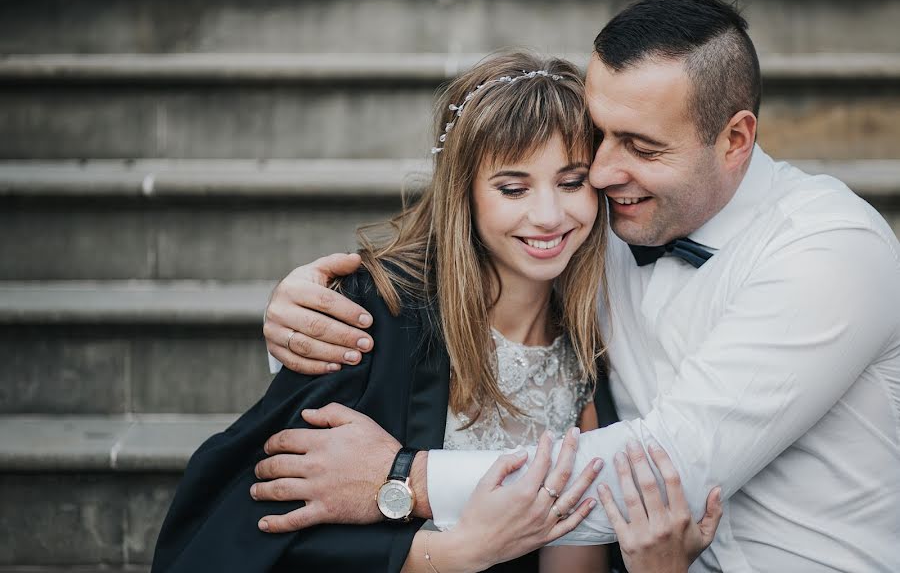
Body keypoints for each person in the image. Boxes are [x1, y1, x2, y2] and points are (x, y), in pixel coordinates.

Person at [256, 0, 900, 572]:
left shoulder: (832, 250)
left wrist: (404, 477)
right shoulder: (597, 230)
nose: (600, 172)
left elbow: (667, 467)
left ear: (734, 140)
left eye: (641, 147)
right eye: (600, 135)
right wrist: (300, 308)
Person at [152, 51, 721, 573]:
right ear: (465, 194)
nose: (549, 215)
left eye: (571, 182)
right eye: (513, 188)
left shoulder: (586, 352)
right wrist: (448, 554)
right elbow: (257, 521)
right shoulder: (374, 315)